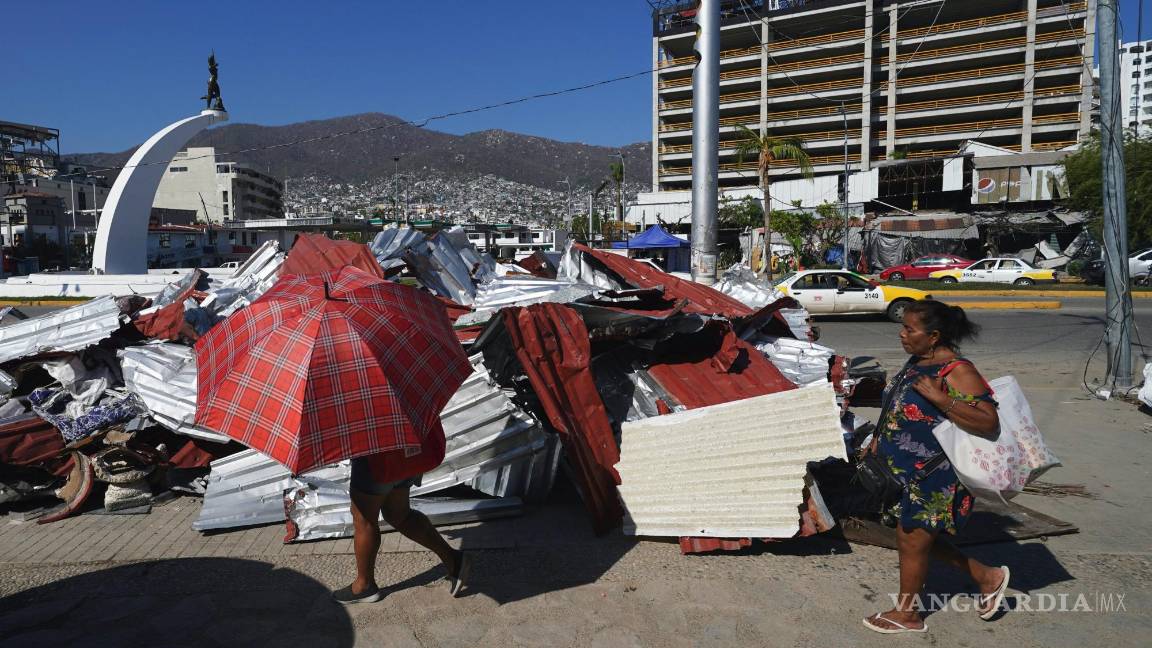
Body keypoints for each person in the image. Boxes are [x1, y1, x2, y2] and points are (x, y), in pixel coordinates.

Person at [861, 300, 1010, 634]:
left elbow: (988, 421)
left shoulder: (958, 370)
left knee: (913, 538)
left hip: (933, 474)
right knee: (913, 538)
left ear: (934, 336)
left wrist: (943, 400)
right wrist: (877, 438)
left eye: (909, 329)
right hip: (902, 470)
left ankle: (908, 615)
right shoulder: (919, 360)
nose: (902, 334)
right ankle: (988, 577)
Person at [332, 425, 470, 604]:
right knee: (398, 514)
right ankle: (454, 560)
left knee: (364, 518)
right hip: (409, 446)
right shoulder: (399, 397)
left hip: (375, 451)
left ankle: (364, 586)